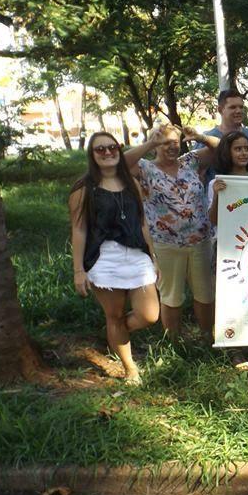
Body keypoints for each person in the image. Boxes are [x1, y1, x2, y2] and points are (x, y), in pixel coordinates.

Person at [70, 132, 160, 385]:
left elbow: (142, 222)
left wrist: (153, 257)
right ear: (92, 155)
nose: (107, 152)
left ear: (119, 151)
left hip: (136, 255)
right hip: (104, 259)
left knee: (149, 314)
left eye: (112, 147)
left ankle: (116, 334)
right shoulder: (84, 188)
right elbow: (78, 229)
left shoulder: (131, 182)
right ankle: (130, 368)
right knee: (114, 315)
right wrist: (78, 270)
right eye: (100, 149)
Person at [125, 125, 219, 338]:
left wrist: (200, 136)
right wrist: (149, 143)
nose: (171, 147)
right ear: (156, 145)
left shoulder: (191, 161)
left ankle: (206, 337)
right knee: (171, 297)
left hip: (200, 241)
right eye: (165, 143)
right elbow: (121, 163)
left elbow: (222, 148)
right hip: (166, 244)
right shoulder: (145, 168)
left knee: (205, 294)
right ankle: (173, 342)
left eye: (175, 142)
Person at [202, 88, 248, 183]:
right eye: (233, 107)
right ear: (220, 110)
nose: (238, 111)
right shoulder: (206, 139)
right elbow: (198, 172)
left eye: (241, 107)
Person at [206, 130, 248, 226]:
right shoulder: (216, 183)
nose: (244, 153)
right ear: (227, 152)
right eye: (238, 149)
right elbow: (214, 221)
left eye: (247, 149)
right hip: (228, 237)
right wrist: (216, 196)